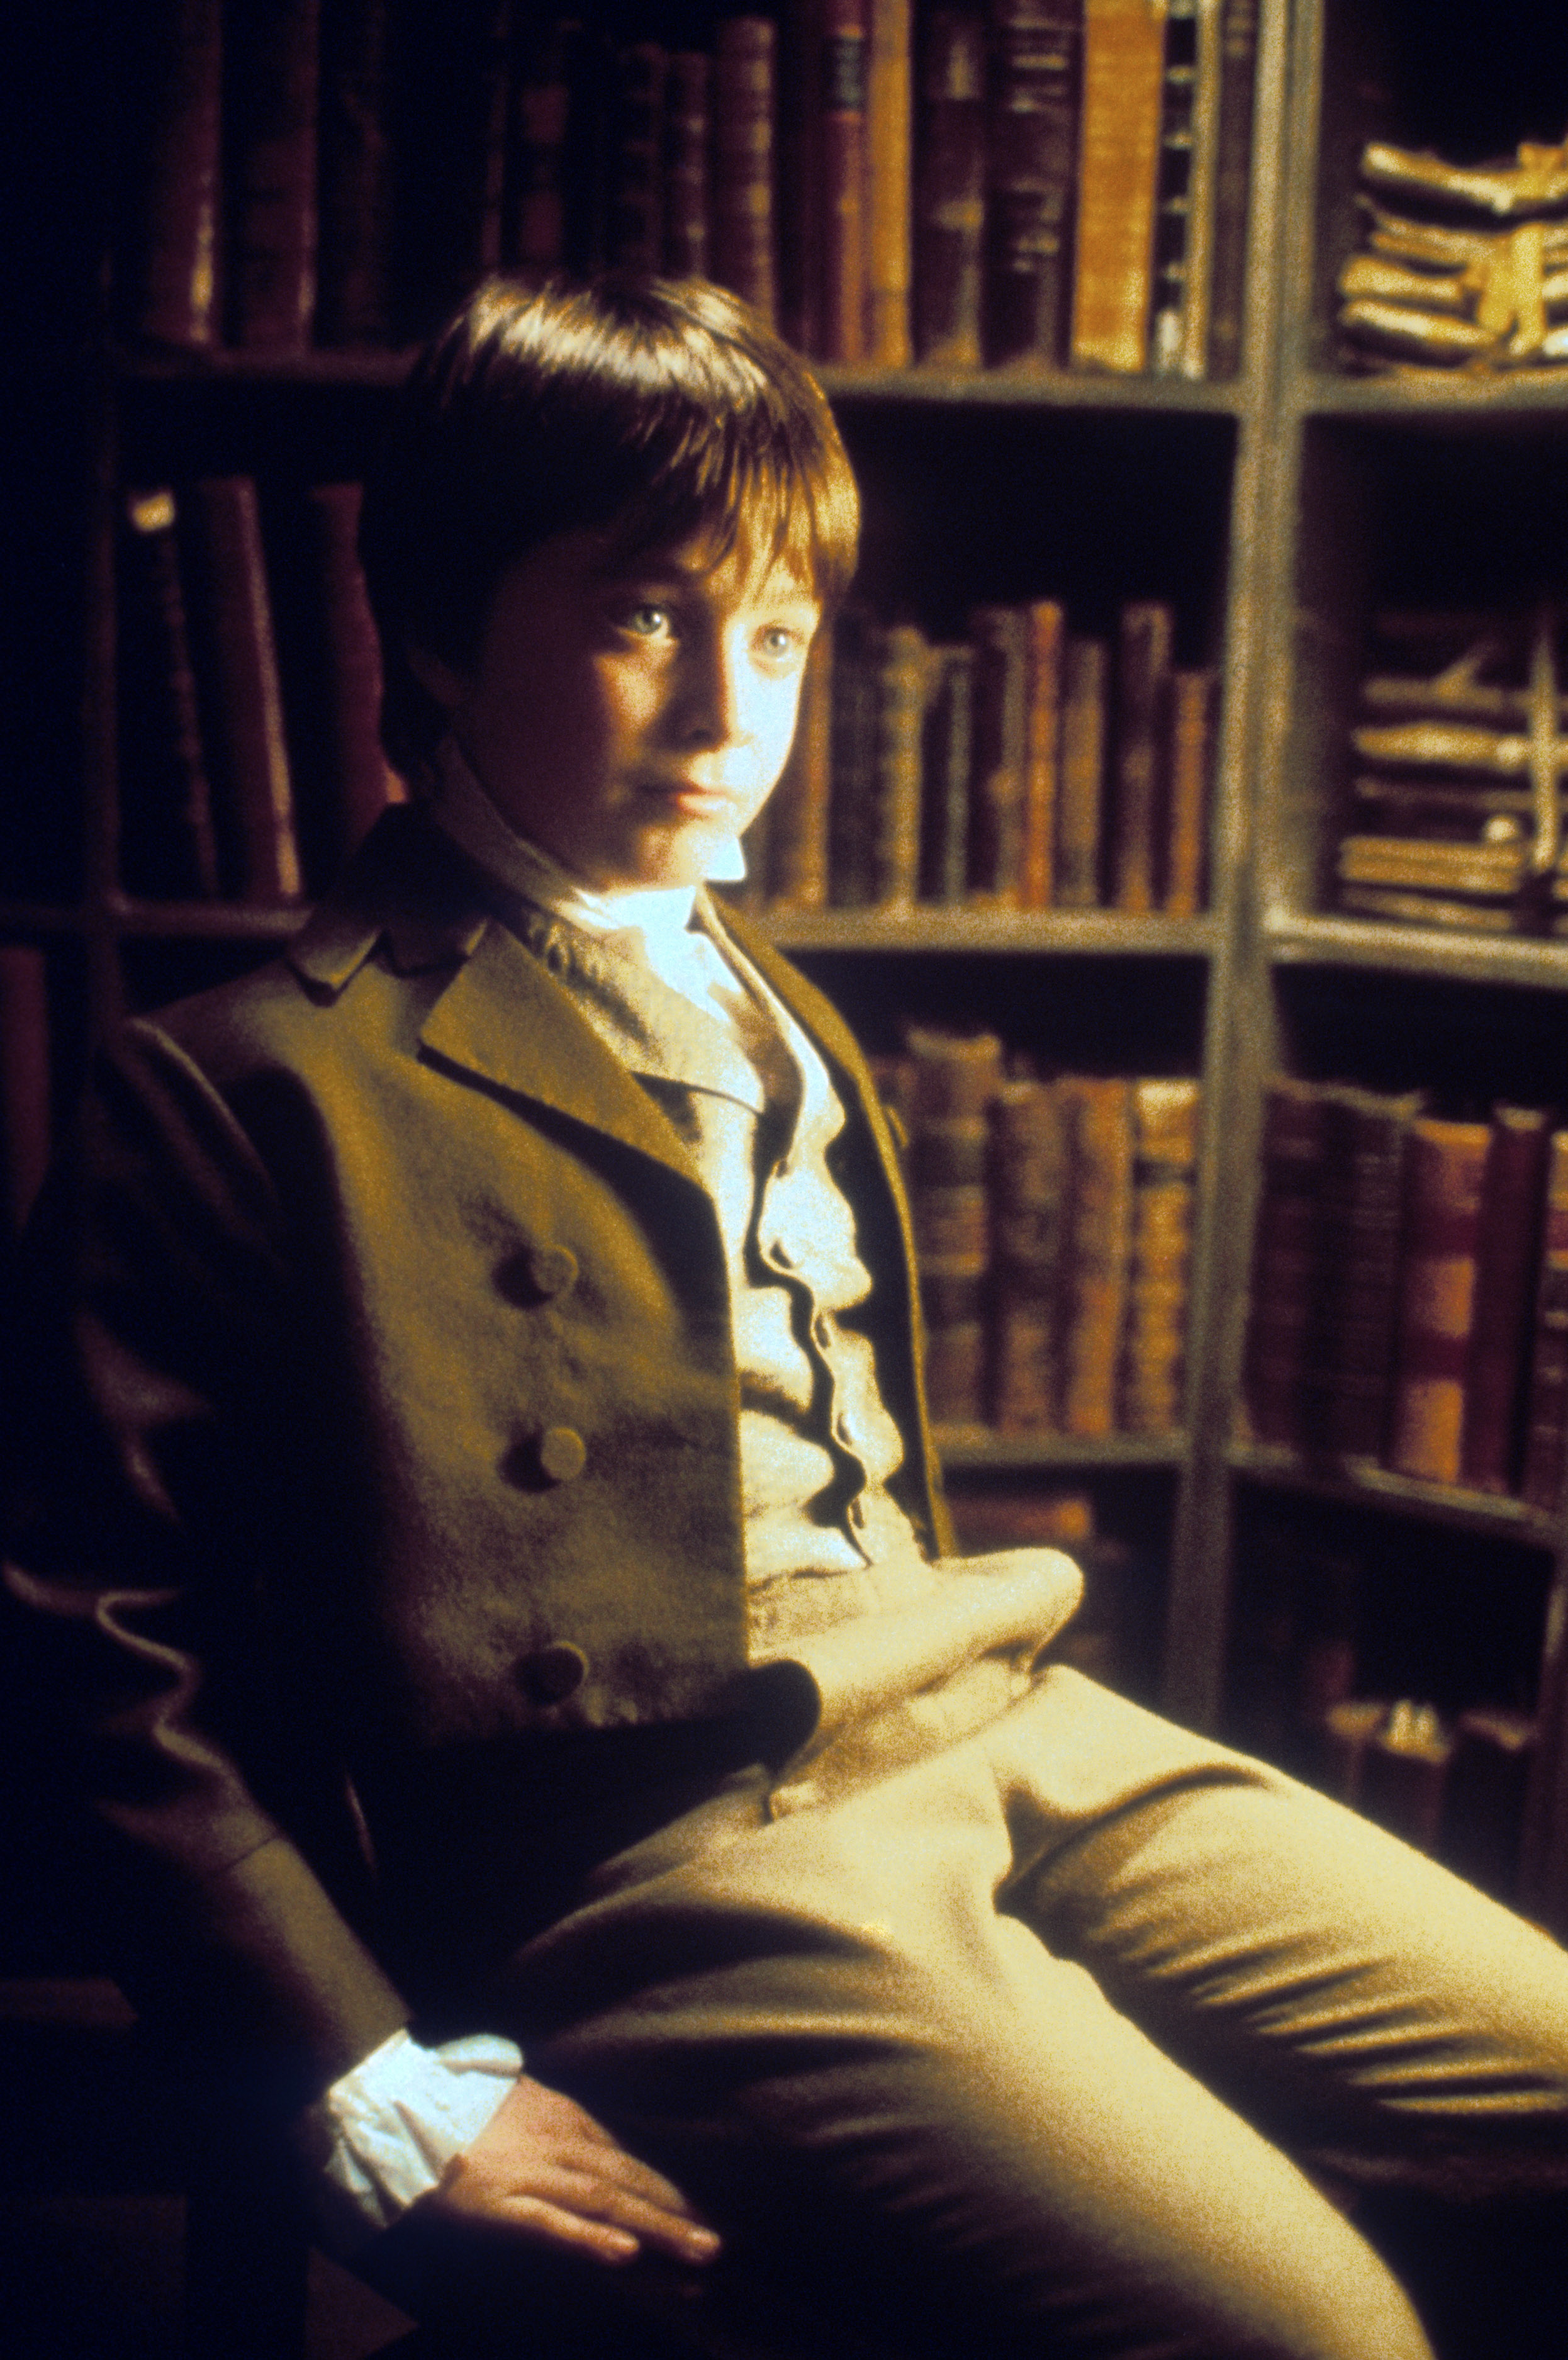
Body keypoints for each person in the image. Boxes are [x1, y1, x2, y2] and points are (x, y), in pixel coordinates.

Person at [6, 274, 1568, 2360]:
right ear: (447, 629)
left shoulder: (777, 1008)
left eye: (776, 638)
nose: (730, 716)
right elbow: (83, 1650)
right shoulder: (247, 1082)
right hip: (663, 1853)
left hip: (993, 1716)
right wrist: (356, 2076)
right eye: (648, 618)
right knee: (1319, 2340)